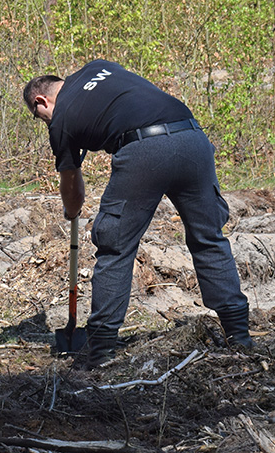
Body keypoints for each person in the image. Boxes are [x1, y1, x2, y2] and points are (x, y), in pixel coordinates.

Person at [23, 60, 252, 369]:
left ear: (42, 101)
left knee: (114, 245)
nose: (46, 122)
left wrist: (71, 210)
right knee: (209, 237)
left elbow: (72, 189)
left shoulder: (60, 119)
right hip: (194, 139)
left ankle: (99, 351)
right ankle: (239, 336)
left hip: (145, 151)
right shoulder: (97, 67)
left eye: (40, 117)